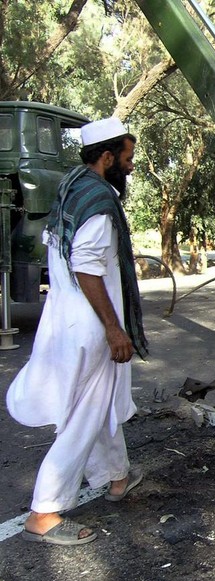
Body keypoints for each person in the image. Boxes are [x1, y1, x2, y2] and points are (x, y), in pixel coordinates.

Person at [6, 117, 148, 546]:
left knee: (97, 403)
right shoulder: (100, 203)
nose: (130, 166)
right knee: (85, 415)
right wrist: (113, 329)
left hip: (67, 318)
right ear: (107, 157)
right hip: (91, 325)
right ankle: (45, 511)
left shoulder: (72, 186)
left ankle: (117, 476)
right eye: (126, 158)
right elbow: (87, 266)